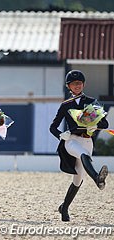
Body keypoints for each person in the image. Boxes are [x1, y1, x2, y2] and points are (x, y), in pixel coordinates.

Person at [49, 70, 109, 222]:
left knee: (78, 179)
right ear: (68, 86)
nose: (77, 86)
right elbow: (53, 127)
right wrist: (61, 135)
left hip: (87, 139)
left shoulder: (91, 102)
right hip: (71, 141)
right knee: (84, 155)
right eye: (74, 84)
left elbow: (104, 123)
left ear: (83, 85)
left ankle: (64, 208)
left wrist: (94, 125)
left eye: (79, 83)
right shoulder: (65, 105)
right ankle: (97, 178)